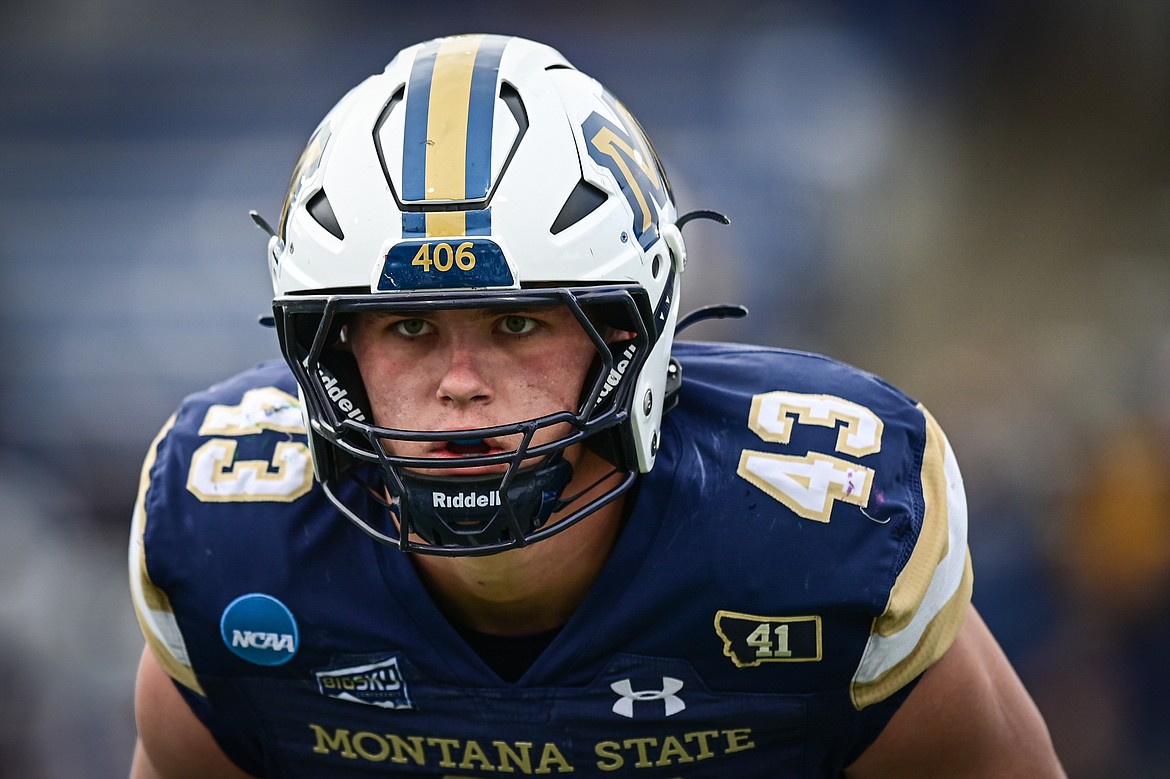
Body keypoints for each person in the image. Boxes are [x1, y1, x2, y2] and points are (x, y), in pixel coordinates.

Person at [128, 33, 1063, 778]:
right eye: (408, 328)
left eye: (518, 326)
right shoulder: (225, 539)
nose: (460, 380)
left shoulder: (822, 534)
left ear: (631, 335)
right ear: (329, 352)